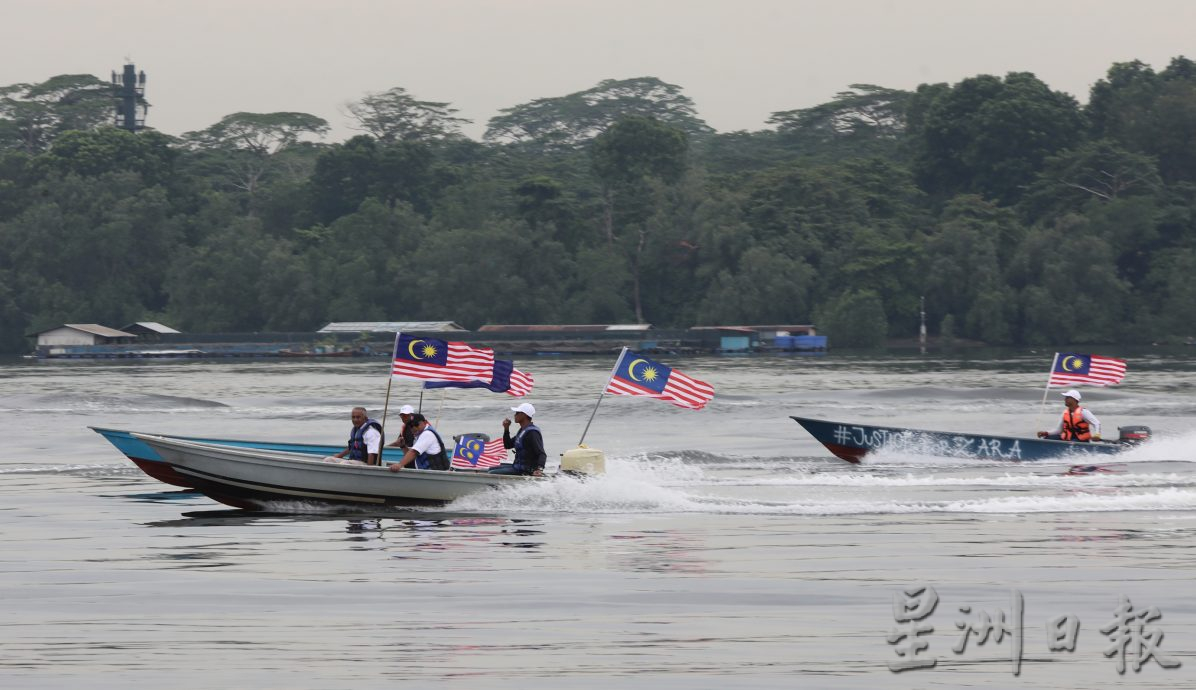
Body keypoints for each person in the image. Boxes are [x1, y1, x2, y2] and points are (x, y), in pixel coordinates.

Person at [488, 402, 546, 476]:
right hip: (517, 467)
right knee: (491, 468)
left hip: (525, 470)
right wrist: (506, 429)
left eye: (517, 413)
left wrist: (539, 469)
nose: (515, 415)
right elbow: (508, 445)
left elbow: (542, 454)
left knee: (491, 473)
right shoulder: (523, 431)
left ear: (524, 415)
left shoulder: (532, 433)